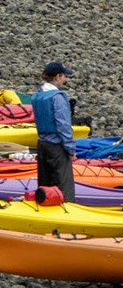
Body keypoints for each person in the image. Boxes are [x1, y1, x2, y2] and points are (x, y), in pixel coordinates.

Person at [31, 61, 76, 202]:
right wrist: (70, 149)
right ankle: (67, 212)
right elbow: (63, 125)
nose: (65, 80)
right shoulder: (57, 97)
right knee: (64, 186)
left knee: (45, 185)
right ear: (58, 76)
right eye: (64, 76)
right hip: (57, 147)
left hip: (42, 144)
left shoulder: (37, 96)